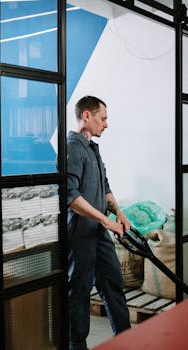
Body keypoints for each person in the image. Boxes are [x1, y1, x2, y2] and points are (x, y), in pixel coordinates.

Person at [67, 95, 131, 350]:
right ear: (87, 116)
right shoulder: (72, 147)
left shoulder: (93, 147)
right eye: (103, 118)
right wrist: (106, 220)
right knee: (79, 292)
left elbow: (104, 186)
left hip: (99, 233)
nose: (106, 124)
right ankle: (77, 345)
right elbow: (71, 197)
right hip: (80, 234)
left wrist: (119, 213)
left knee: (114, 283)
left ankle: (127, 339)